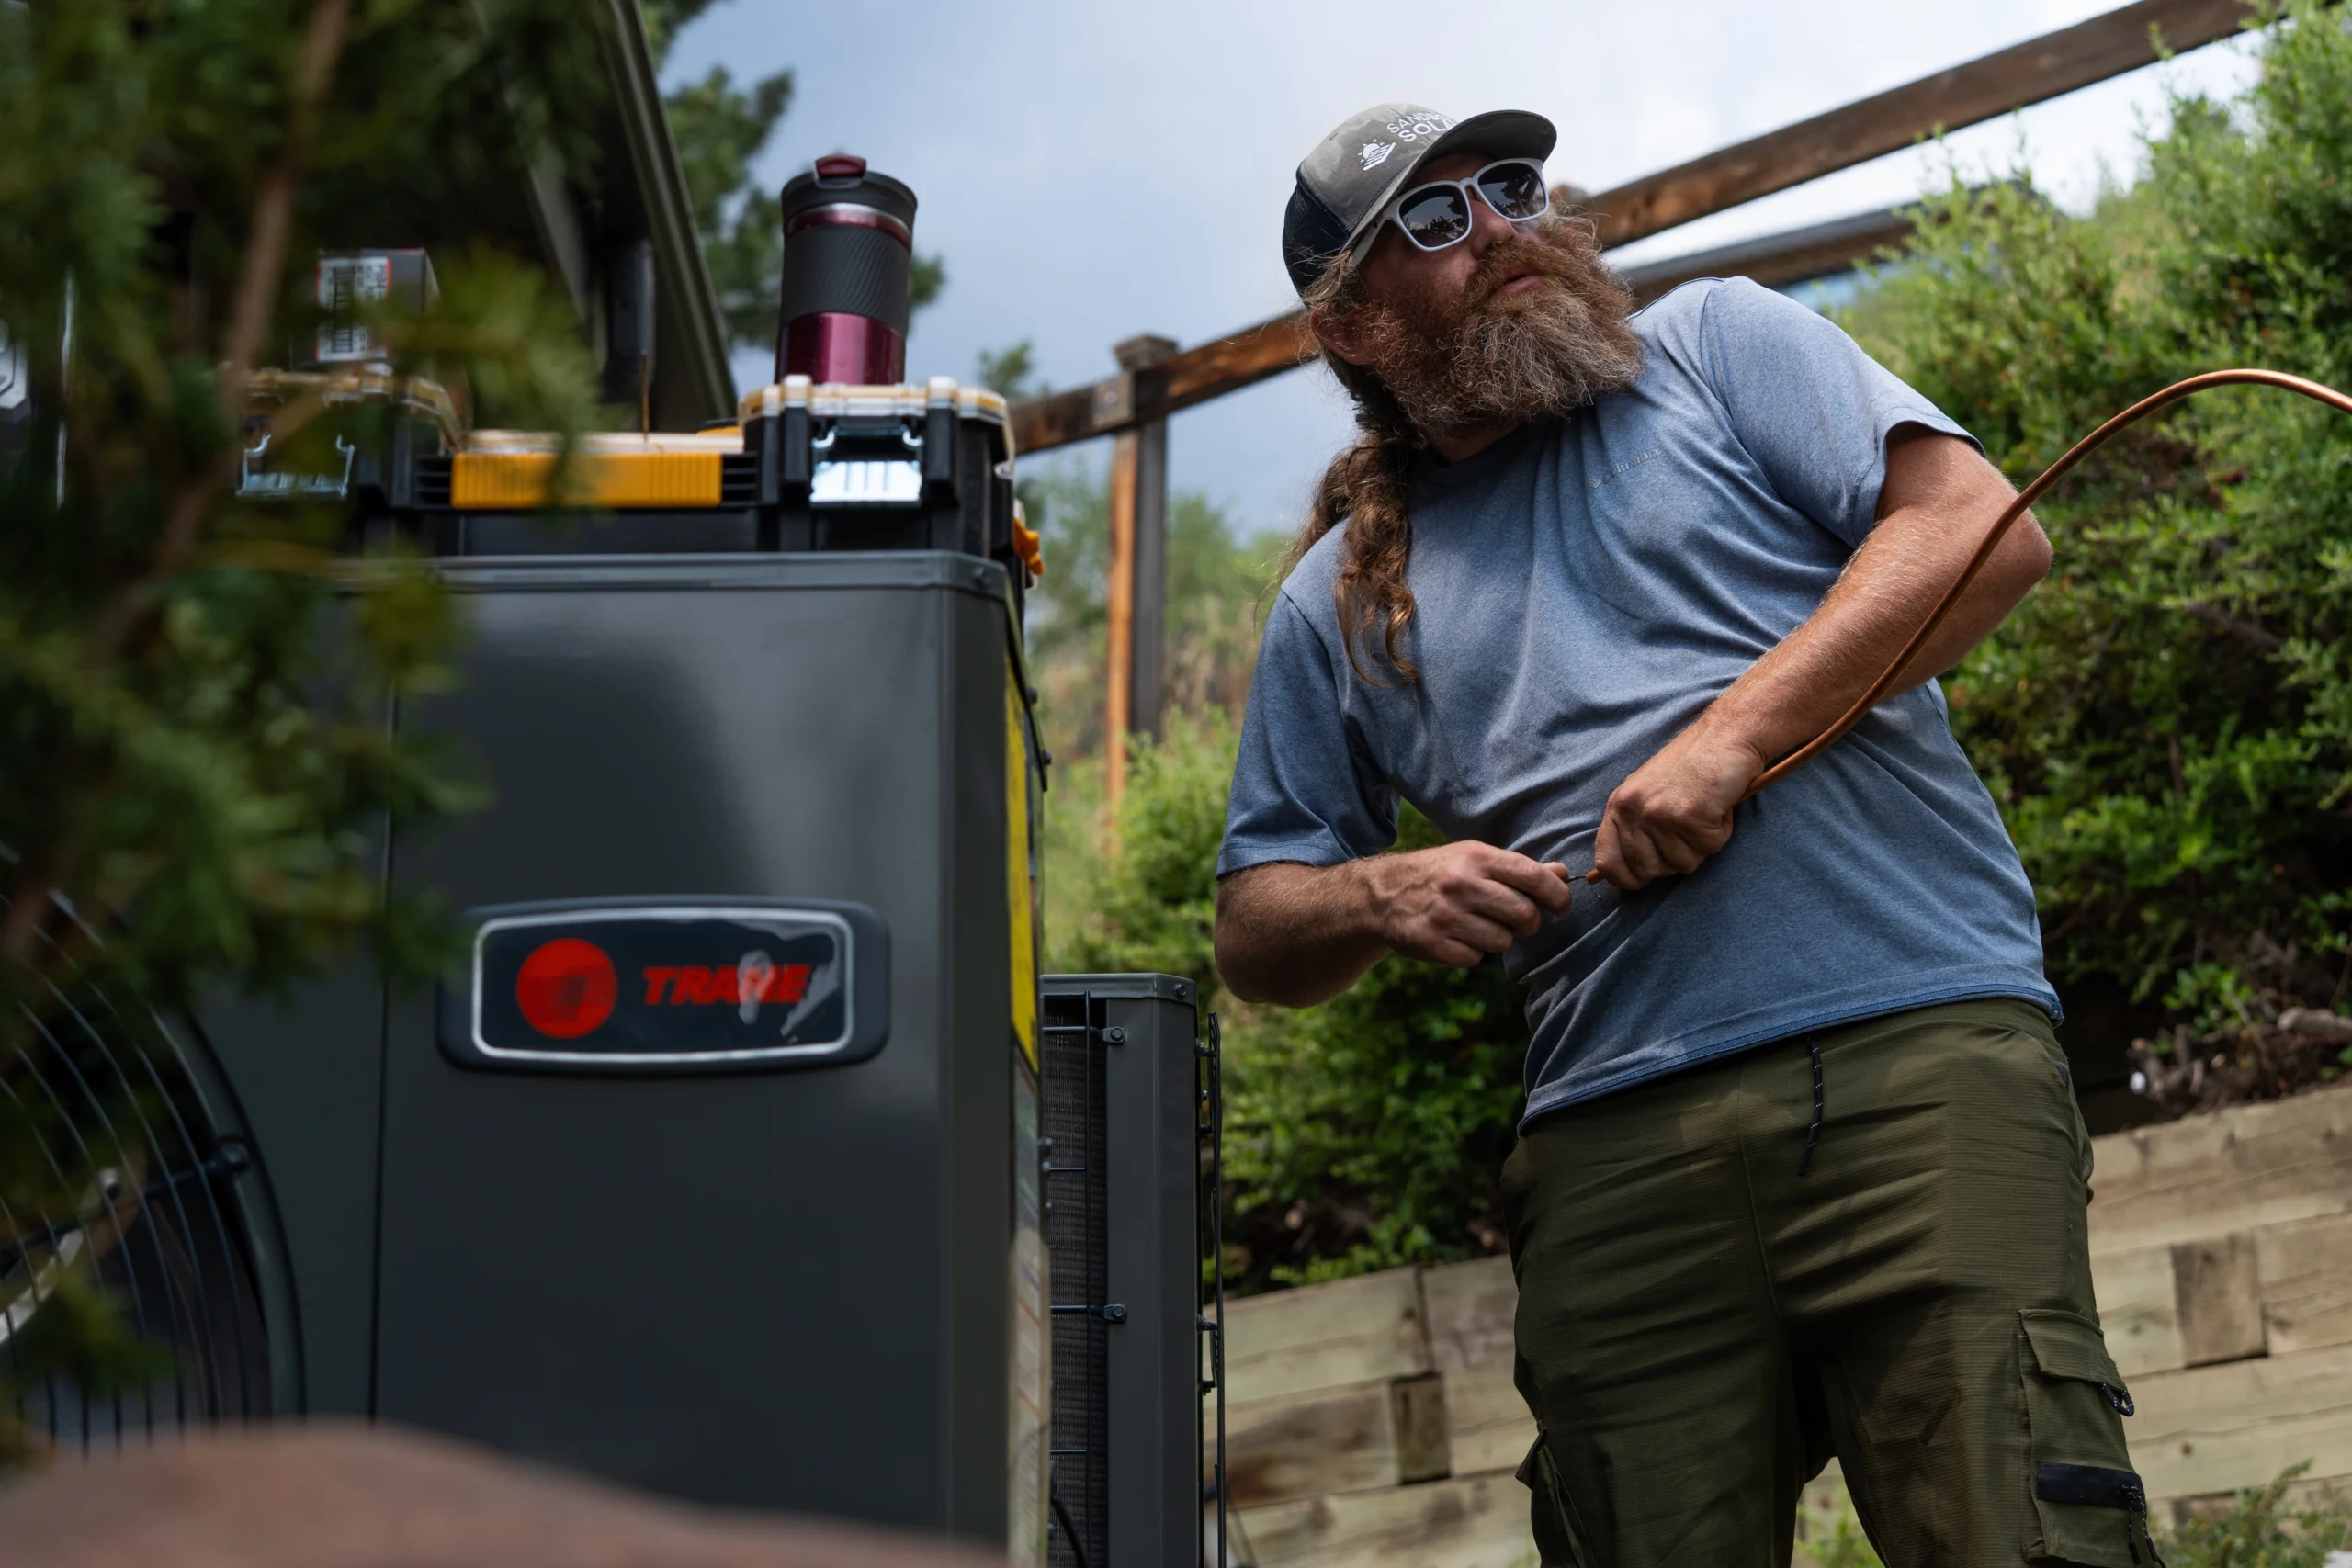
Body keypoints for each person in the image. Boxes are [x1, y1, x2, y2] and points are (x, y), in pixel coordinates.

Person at [1214, 103, 2159, 1568]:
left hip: (1920, 1061)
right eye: (1435, 222)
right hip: (1614, 1146)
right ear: (1351, 327)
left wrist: (1730, 739)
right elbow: (1255, 928)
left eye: (1512, 188)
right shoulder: (1334, 601)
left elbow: (1976, 524)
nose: (1505, 230)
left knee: (2032, 1536)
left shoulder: (1720, 349)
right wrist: (1378, 890)